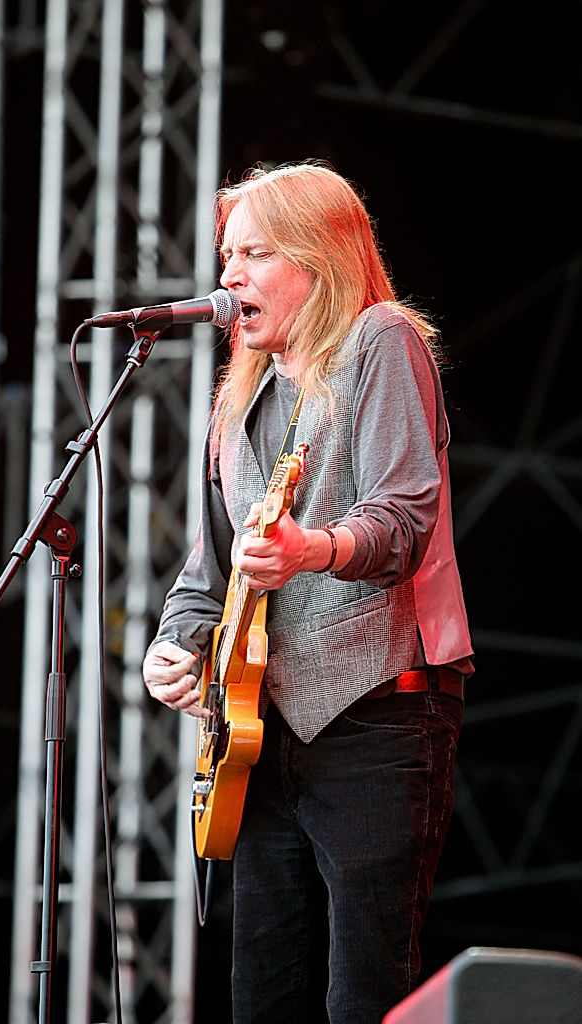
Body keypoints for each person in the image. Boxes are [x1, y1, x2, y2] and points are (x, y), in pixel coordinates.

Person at [142, 160, 473, 1024]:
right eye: (225, 255)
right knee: (263, 994)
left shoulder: (380, 339)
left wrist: (312, 548)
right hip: (260, 732)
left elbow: (402, 517)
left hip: (377, 713)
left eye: (253, 253)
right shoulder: (240, 395)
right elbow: (207, 569)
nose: (227, 277)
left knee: (364, 992)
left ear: (318, 258)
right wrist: (175, 644)